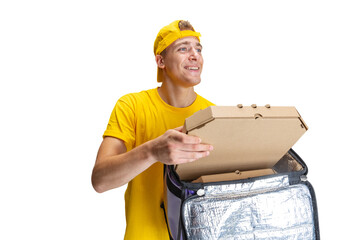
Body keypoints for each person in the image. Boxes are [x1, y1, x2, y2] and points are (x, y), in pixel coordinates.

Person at [91, 20, 214, 240]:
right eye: (183, 48)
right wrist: (152, 152)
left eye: (198, 49)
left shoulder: (211, 114)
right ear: (161, 61)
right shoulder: (132, 106)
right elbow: (100, 180)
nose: (194, 55)